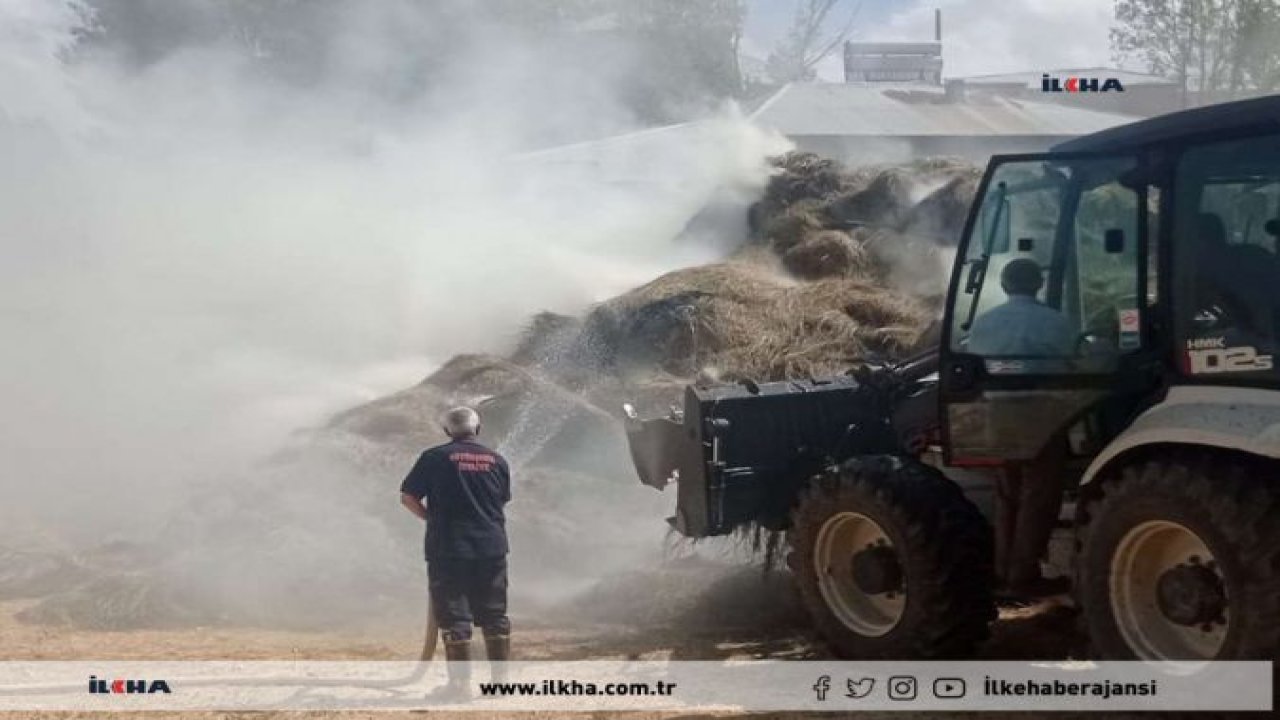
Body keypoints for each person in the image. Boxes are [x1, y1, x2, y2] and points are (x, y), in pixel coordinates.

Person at [400, 406, 512, 698]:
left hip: (449, 547)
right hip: (492, 546)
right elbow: (501, 500)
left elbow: (408, 496)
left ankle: (460, 687)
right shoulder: (497, 460)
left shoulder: (434, 457)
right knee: (494, 613)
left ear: (447, 431)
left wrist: (430, 518)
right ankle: (501, 687)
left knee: (454, 615)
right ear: (478, 429)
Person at [967, 258, 1075, 359]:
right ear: (1041, 283)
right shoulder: (1058, 322)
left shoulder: (982, 322)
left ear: (1003, 286)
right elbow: (1069, 363)